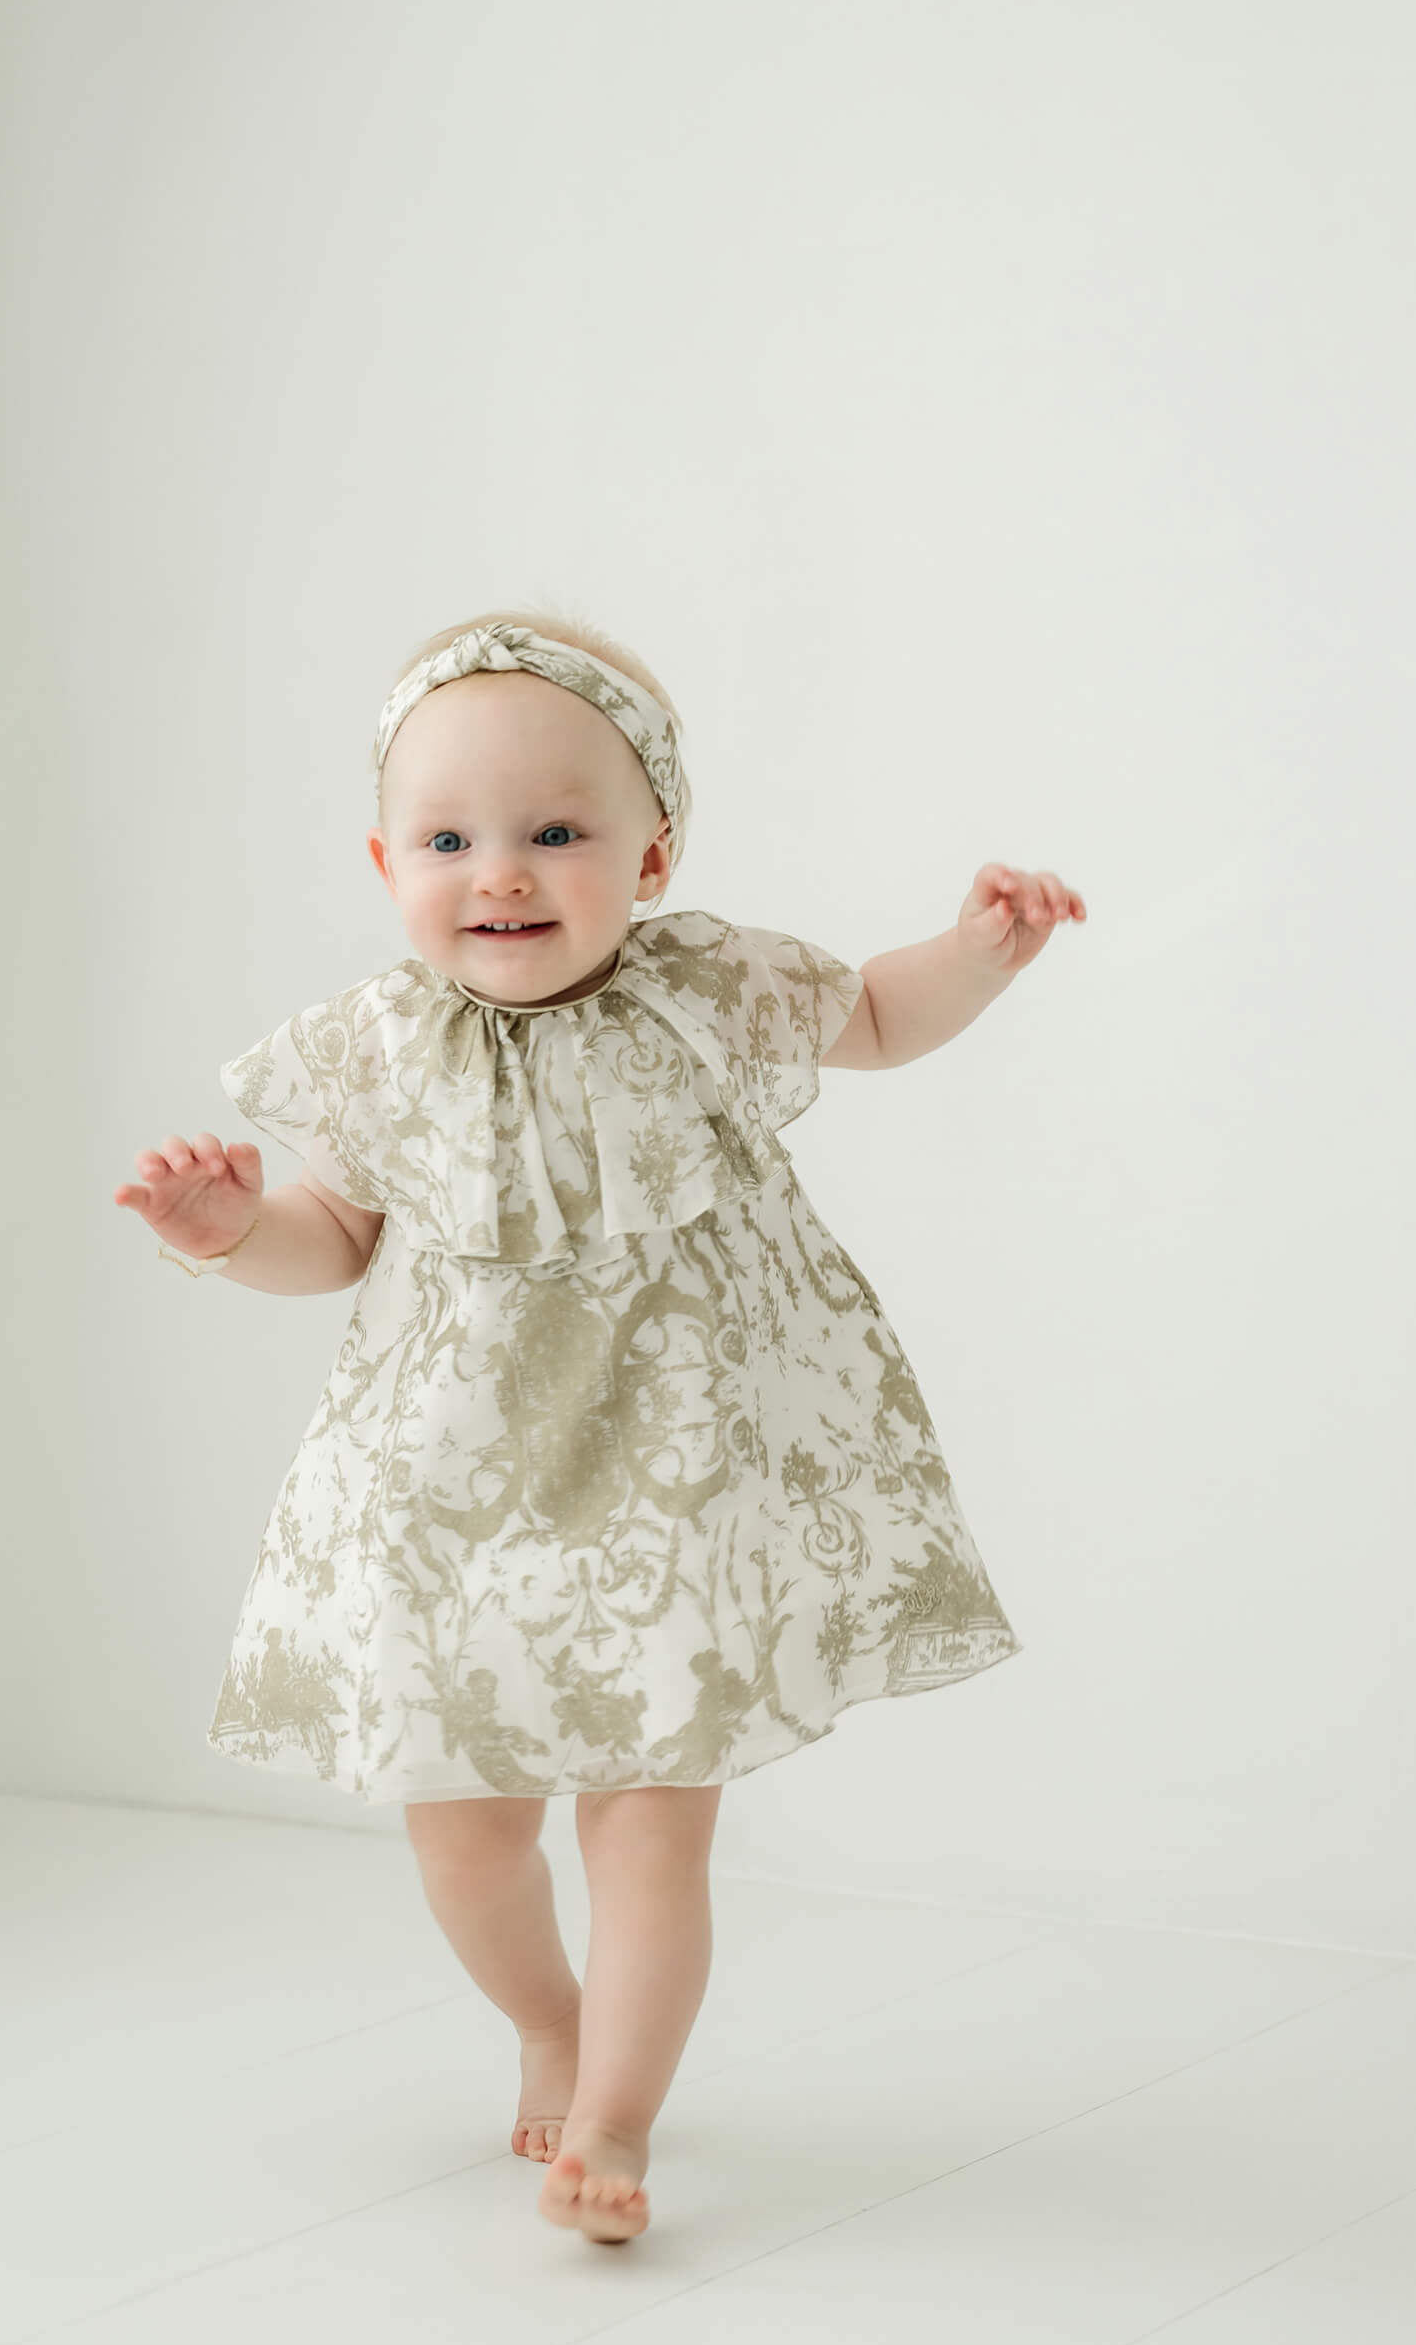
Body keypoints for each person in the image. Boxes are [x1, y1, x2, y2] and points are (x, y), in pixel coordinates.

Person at [113, 608, 1086, 2244]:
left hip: (670, 1485)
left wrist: (977, 952)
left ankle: (616, 2124)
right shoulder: (377, 1049)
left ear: (651, 856)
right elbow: (329, 1235)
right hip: (447, 1489)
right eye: (448, 841)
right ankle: (546, 2023)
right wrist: (223, 1231)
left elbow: (873, 1016)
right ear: (385, 862)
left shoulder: (707, 985)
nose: (499, 873)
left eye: (555, 832)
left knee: (646, 1827)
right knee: (466, 1835)